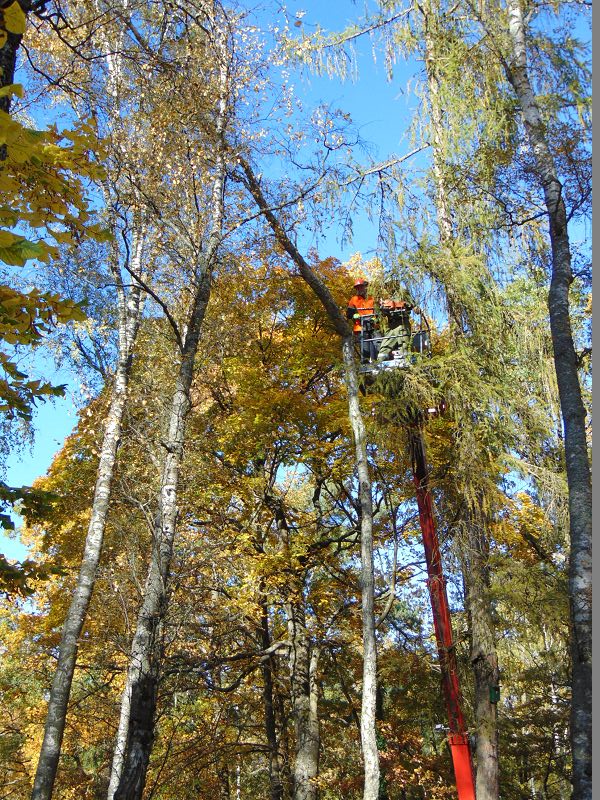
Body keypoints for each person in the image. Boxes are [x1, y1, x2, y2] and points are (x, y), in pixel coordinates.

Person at [347, 278, 377, 362]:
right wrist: (355, 315)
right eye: (357, 288)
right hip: (361, 327)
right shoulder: (354, 299)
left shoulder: (372, 298)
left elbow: (378, 311)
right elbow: (349, 314)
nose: (359, 289)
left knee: (377, 344)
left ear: (365, 287)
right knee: (365, 348)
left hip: (373, 325)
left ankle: (377, 361)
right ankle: (366, 363)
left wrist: (375, 318)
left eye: (361, 287)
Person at [377, 297, 414, 362]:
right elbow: (382, 314)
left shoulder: (402, 293)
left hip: (402, 323)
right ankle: (381, 363)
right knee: (384, 348)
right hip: (391, 326)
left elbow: (411, 304)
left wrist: (396, 304)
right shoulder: (384, 296)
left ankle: (406, 362)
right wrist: (383, 307)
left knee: (404, 345)